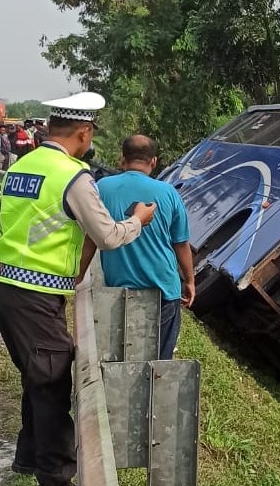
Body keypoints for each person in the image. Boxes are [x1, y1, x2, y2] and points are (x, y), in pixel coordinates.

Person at [0, 92, 157, 486]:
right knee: (50, 381)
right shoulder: (73, 176)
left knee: (36, 377)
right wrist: (137, 219)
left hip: (5, 287)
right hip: (35, 293)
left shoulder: (21, 167)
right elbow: (108, 236)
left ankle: (31, 459)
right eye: (91, 133)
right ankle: (55, 483)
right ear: (84, 132)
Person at [78, 134, 195, 360]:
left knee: (120, 356)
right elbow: (180, 244)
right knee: (159, 360)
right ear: (154, 161)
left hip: (119, 291)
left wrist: (78, 276)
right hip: (163, 290)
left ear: (123, 159)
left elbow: (90, 239)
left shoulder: (101, 188)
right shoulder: (168, 193)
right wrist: (189, 281)